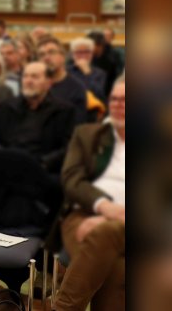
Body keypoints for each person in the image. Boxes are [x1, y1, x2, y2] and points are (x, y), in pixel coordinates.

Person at [55, 75, 125, 311]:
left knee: (109, 241)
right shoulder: (87, 134)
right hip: (82, 217)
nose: (118, 105)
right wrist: (104, 207)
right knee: (117, 267)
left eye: (126, 100)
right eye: (114, 99)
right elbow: (72, 179)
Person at [0, 62, 77, 173]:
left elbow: (68, 147)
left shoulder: (64, 111)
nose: (28, 81)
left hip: (42, 170)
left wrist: (42, 164)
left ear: (48, 83)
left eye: (35, 77)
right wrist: (5, 159)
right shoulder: (5, 107)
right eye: (25, 76)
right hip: (6, 167)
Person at [38, 37, 89, 123]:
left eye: (51, 52)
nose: (46, 58)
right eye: (42, 55)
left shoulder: (76, 88)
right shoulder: (36, 86)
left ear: (63, 57)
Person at [67, 37, 107, 101]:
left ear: (92, 54)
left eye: (87, 52)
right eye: (79, 52)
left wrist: (87, 73)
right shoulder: (65, 71)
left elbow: (98, 94)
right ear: (72, 54)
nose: (83, 55)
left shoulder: (100, 73)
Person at [89, 31, 123, 97]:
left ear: (99, 45)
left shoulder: (111, 58)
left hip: (107, 92)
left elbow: (114, 78)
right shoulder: (87, 56)